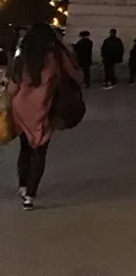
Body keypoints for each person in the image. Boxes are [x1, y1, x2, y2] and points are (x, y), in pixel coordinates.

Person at [10, 23, 83, 210]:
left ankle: (22, 185)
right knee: (40, 152)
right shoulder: (55, 57)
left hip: (21, 109)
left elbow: (12, 87)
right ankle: (30, 197)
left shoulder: (23, 58)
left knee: (25, 148)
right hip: (44, 108)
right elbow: (74, 75)